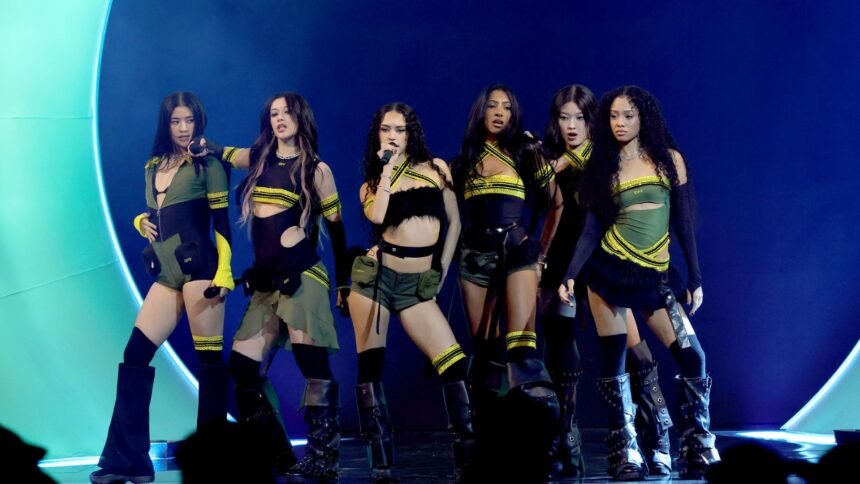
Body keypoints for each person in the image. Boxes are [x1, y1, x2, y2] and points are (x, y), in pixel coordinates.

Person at [559, 85, 720, 480]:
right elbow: (590, 230)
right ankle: (626, 450)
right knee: (616, 361)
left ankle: (697, 446)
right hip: (608, 272)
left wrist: (695, 277)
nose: (619, 123)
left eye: (628, 115)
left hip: (656, 277)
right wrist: (570, 274)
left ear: (643, 117)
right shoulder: (602, 166)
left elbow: (683, 221)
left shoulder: (669, 160)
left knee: (693, 356)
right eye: (613, 116)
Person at [193, 92, 350, 481]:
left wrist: (344, 282)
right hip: (265, 281)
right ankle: (277, 455)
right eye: (274, 113)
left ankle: (324, 459)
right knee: (242, 367)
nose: (280, 118)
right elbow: (225, 152)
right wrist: (202, 144)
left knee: (311, 362)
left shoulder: (315, 169)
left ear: (301, 117)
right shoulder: (259, 158)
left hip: (301, 276)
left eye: (287, 112)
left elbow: (337, 229)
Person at [91, 92, 233, 484]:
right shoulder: (153, 166)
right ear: (166, 124)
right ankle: (128, 460)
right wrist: (140, 222)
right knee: (135, 355)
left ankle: (213, 466)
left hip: (202, 271)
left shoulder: (209, 165)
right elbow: (155, 214)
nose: (184, 128)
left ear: (198, 122)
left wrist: (225, 271)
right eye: (176, 121)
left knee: (210, 365)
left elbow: (221, 223)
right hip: (167, 274)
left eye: (190, 120)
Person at [348, 103, 473, 482]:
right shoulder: (371, 184)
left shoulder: (436, 169)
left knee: (453, 363)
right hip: (377, 279)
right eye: (386, 129)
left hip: (417, 284)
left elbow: (454, 224)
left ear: (410, 133)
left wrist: (440, 274)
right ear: (377, 134)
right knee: (371, 368)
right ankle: (381, 463)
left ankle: (468, 460)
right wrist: (386, 169)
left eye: (400, 129)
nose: (392, 136)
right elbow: (377, 216)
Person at [451, 85, 563, 478]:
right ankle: (489, 446)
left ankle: (544, 447)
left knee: (522, 351)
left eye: (507, 107)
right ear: (480, 111)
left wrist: (541, 255)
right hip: (473, 256)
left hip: (518, 253)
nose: (500, 112)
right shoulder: (463, 160)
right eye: (493, 106)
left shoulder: (526, 152)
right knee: (484, 354)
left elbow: (556, 203)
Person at [537, 84, 597, 479]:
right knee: (559, 342)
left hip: (600, 258)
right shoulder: (548, 159)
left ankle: (641, 439)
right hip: (559, 259)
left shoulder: (603, 159)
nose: (571, 125)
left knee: (627, 349)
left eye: (579, 117)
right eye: (564, 117)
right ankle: (563, 434)